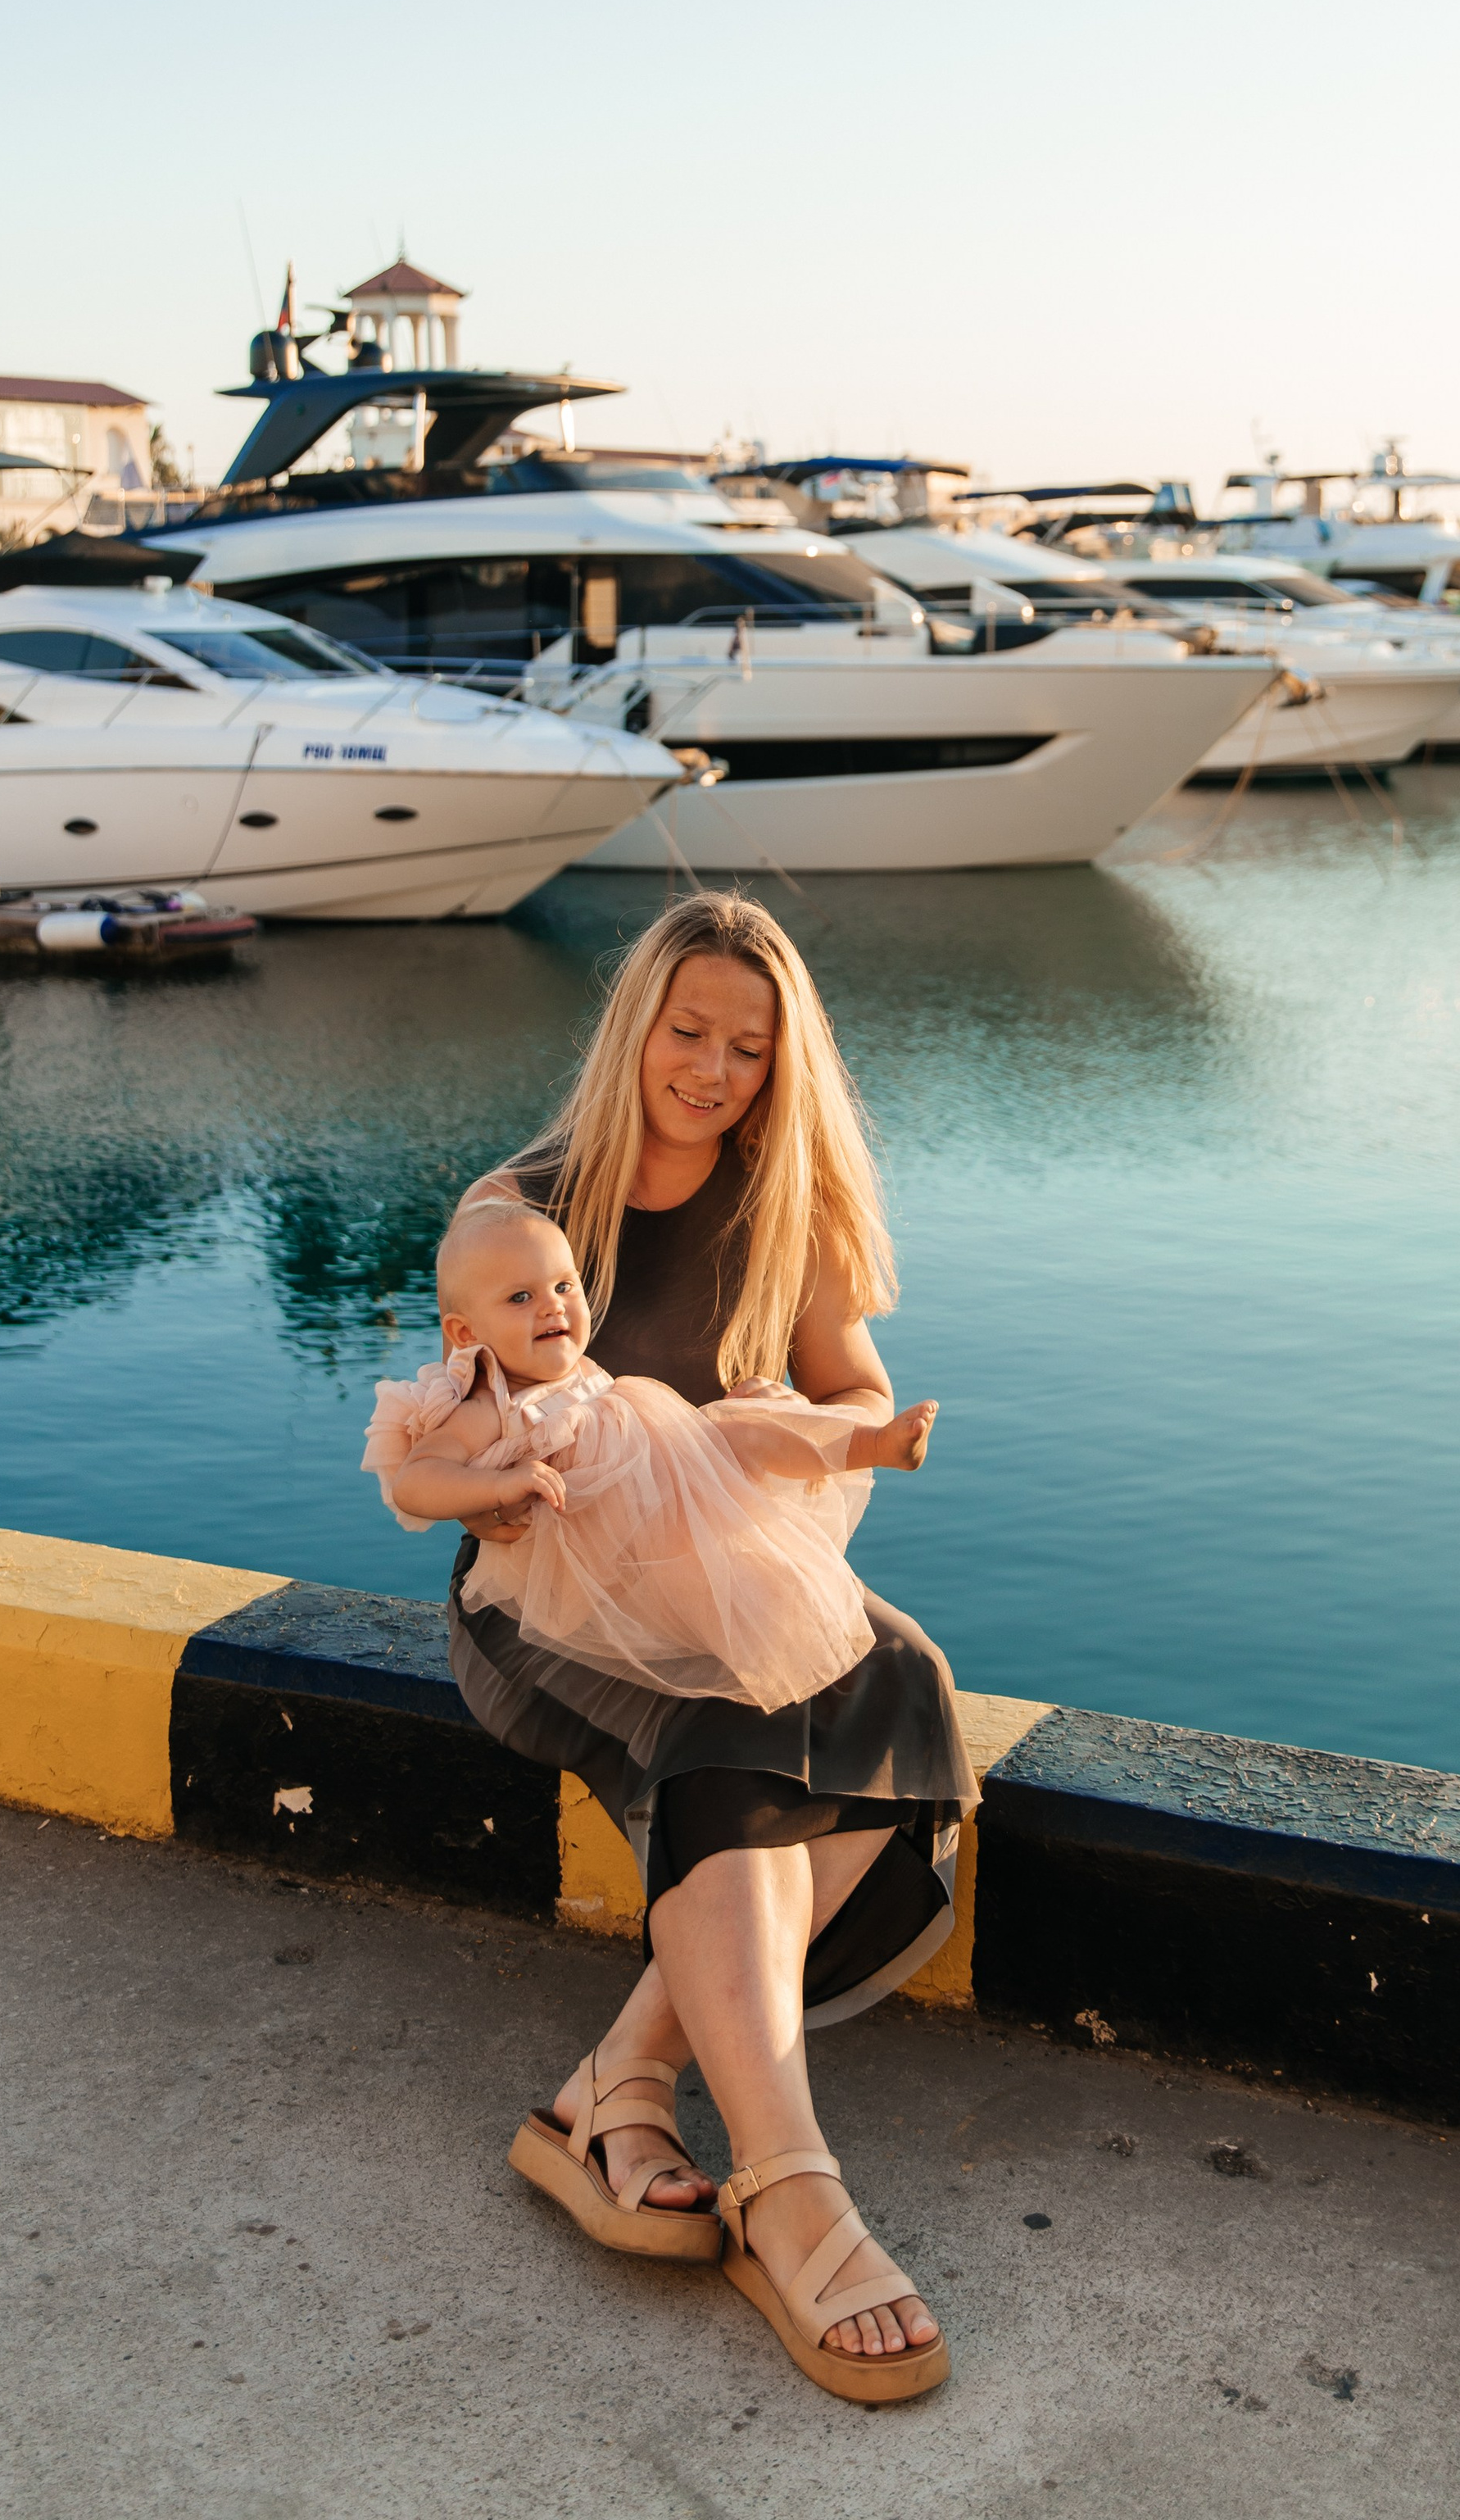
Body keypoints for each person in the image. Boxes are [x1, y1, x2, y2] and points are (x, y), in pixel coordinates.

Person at [442, 890, 973, 2404]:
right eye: (689, 1032)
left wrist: (856, 1434)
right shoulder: (526, 1208)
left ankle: (621, 2082)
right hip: (542, 1601)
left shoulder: (788, 1206)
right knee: (729, 1738)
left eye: (750, 1045)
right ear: (637, 1029)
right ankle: (793, 2189)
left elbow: (841, 1394)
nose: (716, 1068)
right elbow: (462, 1448)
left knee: (903, 1691)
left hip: (726, 1584)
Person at [365, 1197, 937, 1711]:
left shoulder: (586, 1377)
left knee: (742, 1426)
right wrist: (502, 1484)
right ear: (465, 1334)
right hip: (607, 1554)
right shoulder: (494, 1406)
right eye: (521, 1297)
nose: (553, 1308)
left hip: (658, 1498)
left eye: (565, 1286)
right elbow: (416, 1481)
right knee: (732, 1611)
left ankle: (869, 1444)